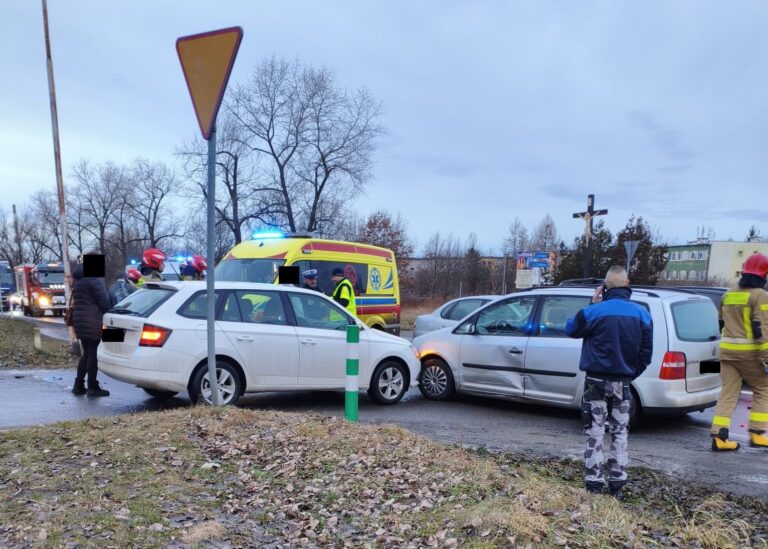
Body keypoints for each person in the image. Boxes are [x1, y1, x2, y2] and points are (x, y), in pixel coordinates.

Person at [565, 265, 653, 499]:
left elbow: (571, 329)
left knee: (594, 432)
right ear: (627, 284)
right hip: (622, 382)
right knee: (620, 432)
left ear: (605, 287)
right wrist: (630, 374)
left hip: (595, 381)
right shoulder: (642, 314)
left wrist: (592, 303)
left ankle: (594, 484)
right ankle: (617, 485)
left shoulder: (594, 312)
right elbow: (646, 353)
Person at [710, 252, 768, 451]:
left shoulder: (729, 293)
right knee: (763, 388)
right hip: (748, 353)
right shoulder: (760, 296)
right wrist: (766, 358)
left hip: (726, 351)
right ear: (764, 274)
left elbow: (720, 323)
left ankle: (719, 437)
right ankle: (758, 434)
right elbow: (763, 330)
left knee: (728, 392)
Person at [71, 254, 113, 397]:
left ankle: (78, 385)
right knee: (93, 353)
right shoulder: (94, 280)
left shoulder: (78, 279)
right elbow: (104, 302)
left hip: (79, 319)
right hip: (93, 319)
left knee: (87, 352)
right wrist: (109, 314)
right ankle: (92, 387)